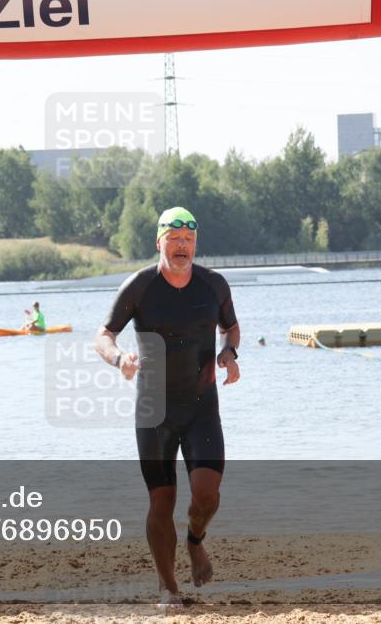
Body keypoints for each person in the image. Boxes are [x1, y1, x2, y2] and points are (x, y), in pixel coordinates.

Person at [94, 206, 240, 609]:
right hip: (154, 409)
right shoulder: (140, 286)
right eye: (174, 239)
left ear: (196, 243)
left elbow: (230, 327)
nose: (181, 246)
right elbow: (103, 335)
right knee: (161, 500)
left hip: (201, 406)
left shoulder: (213, 285)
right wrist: (118, 358)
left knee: (207, 494)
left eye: (188, 240)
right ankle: (168, 589)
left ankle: (195, 539)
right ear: (159, 242)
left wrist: (229, 353)